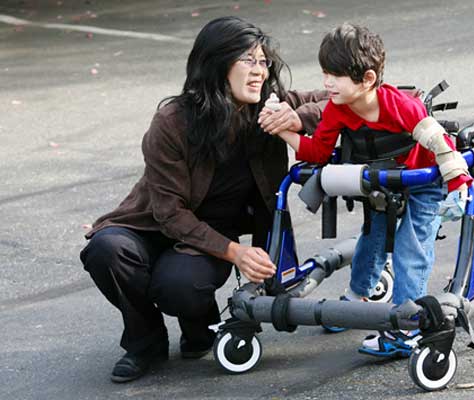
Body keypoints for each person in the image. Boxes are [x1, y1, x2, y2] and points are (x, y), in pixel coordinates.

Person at [80, 16, 327, 383]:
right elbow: (169, 213)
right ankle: (144, 341)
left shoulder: (268, 108)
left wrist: (297, 115)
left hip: (208, 236)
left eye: (263, 61)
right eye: (248, 60)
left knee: (178, 286)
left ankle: (200, 327)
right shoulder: (172, 121)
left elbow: (342, 99)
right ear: (216, 63)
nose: (259, 71)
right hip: (154, 225)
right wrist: (236, 253)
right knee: (105, 250)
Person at [261, 23, 472, 358]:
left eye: (335, 75)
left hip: (423, 181)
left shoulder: (400, 105)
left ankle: (406, 326)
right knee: (371, 235)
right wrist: (283, 131)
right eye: (325, 73)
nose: (327, 82)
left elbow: (439, 142)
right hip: (381, 181)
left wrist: (458, 185)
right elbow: (316, 152)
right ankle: (356, 300)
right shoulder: (338, 109)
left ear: (368, 79)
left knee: (409, 245)